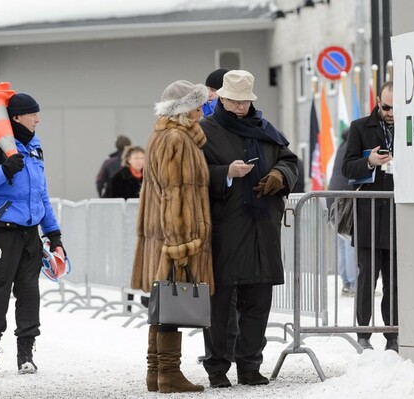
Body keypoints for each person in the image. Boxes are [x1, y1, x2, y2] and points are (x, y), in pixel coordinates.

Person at [200, 70, 298, 388]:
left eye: (245, 101)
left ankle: (250, 366)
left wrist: (281, 176)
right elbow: (191, 174)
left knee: (258, 301)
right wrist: (225, 173)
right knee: (219, 303)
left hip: (262, 228)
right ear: (222, 98)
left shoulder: (264, 128)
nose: (240, 107)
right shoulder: (205, 132)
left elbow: (290, 159)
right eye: (234, 101)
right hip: (224, 229)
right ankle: (217, 368)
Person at [0, 92, 66, 375]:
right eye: (33, 114)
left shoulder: (34, 146)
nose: (38, 119)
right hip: (0, 233)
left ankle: (25, 354)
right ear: (17, 117)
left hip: (29, 234)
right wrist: (4, 170)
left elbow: (41, 194)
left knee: (29, 293)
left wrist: (53, 234)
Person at [131, 80, 213, 393]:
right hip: (174, 235)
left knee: (163, 301)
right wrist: (180, 242)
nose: (202, 110)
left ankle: (156, 371)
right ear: (183, 108)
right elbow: (173, 194)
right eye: (197, 104)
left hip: (162, 234)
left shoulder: (165, 134)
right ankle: (168, 372)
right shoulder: (177, 137)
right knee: (172, 301)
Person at [342, 81, 397, 352]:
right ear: (377, 101)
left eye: (396, 109)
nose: (390, 113)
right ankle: (363, 332)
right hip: (368, 215)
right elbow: (347, 168)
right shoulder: (360, 127)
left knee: (394, 279)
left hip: (397, 214)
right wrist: (369, 162)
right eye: (386, 107)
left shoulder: (412, 124)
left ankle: (393, 333)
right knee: (367, 277)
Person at [103, 145, 148, 310]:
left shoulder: (150, 176)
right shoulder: (118, 177)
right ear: (128, 159)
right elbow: (109, 200)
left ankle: (146, 298)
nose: (139, 161)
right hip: (125, 228)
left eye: (142, 158)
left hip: (145, 228)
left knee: (145, 263)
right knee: (128, 263)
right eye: (136, 158)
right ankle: (128, 299)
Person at [328, 128, 356, 296]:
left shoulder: (342, 146)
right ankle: (353, 283)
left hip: (334, 199)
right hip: (346, 200)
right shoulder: (352, 147)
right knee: (351, 241)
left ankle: (346, 281)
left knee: (343, 241)